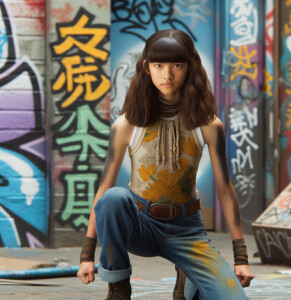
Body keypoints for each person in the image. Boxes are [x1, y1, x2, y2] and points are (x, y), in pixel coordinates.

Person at [77, 29, 254, 300]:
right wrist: (87, 255)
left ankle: (187, 278)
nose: (167, 75)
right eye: (159, 65)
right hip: (141, 223)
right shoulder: (127, 124)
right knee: (113, 199)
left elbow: (225, 188)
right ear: (147, 67)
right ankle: (119, 288)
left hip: (187, 230)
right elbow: (104, 190)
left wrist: (241, 257)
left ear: (189, 67)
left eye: (177, 65)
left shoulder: (208, 124)